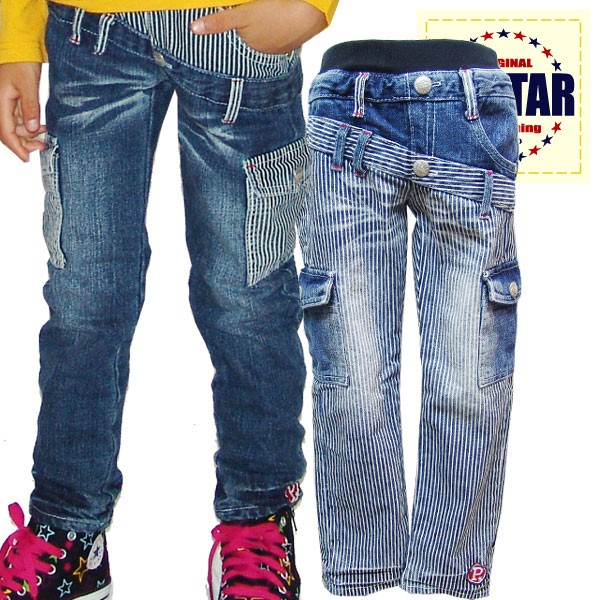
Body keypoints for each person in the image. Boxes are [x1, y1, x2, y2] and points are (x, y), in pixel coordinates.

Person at [0, 1, 337, 599]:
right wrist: (16, 35)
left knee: (247, 298)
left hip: (240, 32)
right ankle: (68, 529)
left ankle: (258, 521)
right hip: (91, 32)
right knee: (84, 298)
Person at [298, 39, 520, 598]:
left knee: (468, 380)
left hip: (471, 117)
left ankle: (450, 568)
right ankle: (365, 564)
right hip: (347, 121)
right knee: (355, 381)